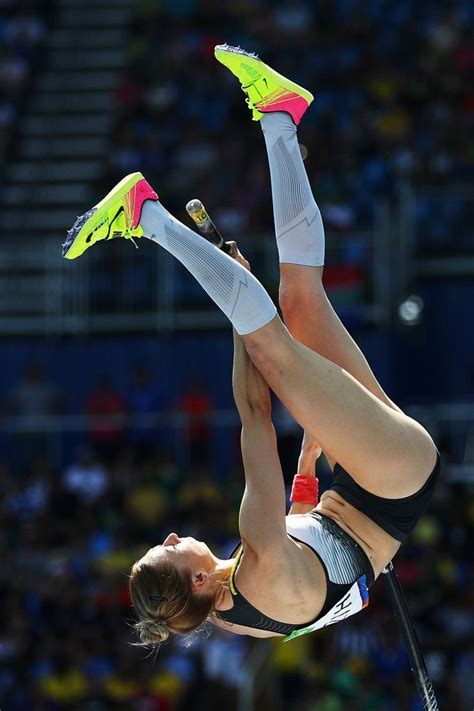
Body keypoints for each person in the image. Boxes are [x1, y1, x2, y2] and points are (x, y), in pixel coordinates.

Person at [63, 45, 440, 644]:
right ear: (193, 582)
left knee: (299, 303)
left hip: (358, 486)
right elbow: (255, 411)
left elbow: (321, 572)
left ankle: (280, 116)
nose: (169, 538)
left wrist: (309, 471)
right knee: (277, 354)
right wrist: (244, 324)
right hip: (391, 478)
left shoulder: (234, 610)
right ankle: (148, 216)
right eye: (168, 552)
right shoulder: (255, 545)